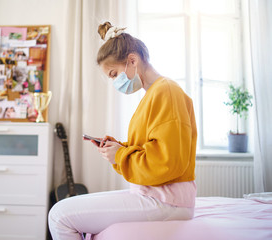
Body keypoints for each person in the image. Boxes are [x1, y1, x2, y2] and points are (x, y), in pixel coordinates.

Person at [48, 22, 197, 240]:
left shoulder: (166, 92)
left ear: (133, 60)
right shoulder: (154, 94)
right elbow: (151, 148)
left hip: (166, 200)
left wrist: (120, 155)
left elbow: (169, 162)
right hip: (157, 195)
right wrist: (119, 149)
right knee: (66, 213)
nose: (114, 82)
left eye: (113, 74)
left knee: (59, 215)